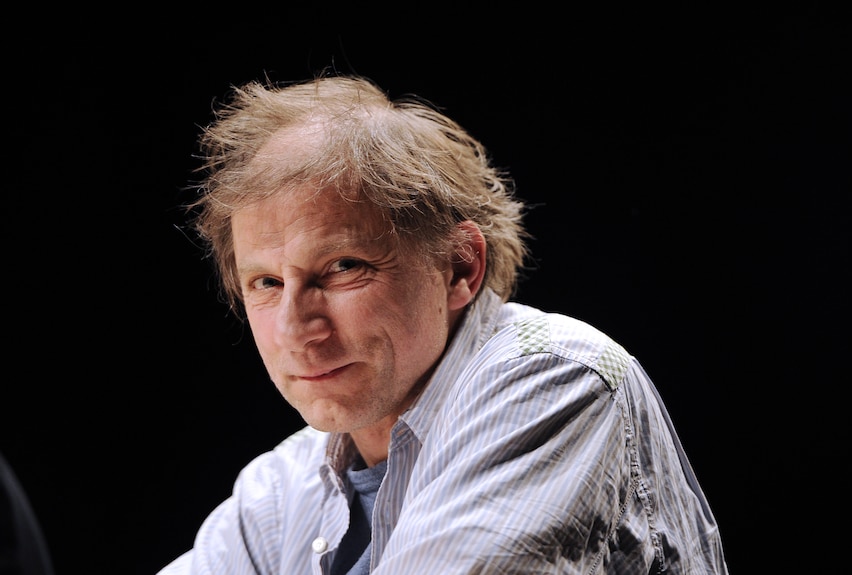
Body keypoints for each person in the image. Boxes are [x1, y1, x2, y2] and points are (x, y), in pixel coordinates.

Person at [156, 73, 729, 575]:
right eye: (267, 283)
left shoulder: (551, 380)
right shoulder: (282, 489)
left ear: (459, 267)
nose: (295, 330)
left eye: (343, 268)